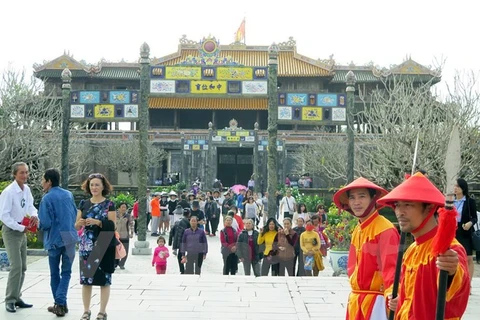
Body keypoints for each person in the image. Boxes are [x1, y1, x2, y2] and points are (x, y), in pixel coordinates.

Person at [377, 172, 470, 320]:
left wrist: (452, 271)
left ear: (429, 207)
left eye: (407, 205)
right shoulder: (411, 250)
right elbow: (409, 296)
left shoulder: (449, 248)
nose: (400, 212)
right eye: (397, 205)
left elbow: (458, 288)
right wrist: (398, 299)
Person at [333, 177, 399, 320]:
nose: (356, 202)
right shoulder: (358, 228)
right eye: (352, 198)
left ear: (373, 198)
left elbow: (391, 269)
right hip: (356, 299)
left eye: (362, 196)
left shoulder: (385, 229)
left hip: (377, 303)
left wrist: (391, 294)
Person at [75, 173, 116, 320]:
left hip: (103, 242)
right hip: (86, 244)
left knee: (104, 279)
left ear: (103, 186)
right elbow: (76, 224)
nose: (94, 187)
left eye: (97, 184)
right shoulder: (83, 204)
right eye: (92, 185)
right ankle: (86, 310)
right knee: (87, 280)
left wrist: (98, 222)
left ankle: (102, 311)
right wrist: (79, 224)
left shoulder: (109, 204)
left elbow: (112, 225)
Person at [38, 168, 79, 316]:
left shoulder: (46, 199)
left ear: (49, 181)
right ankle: (61, 303)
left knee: (54, 273)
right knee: (66, 272)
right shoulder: (68, 195)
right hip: (69, 236)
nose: (42, 183)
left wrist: (36, 223)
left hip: (54, 238)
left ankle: (59, 302)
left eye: (43, 180)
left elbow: (45, 223)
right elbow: (74, 214)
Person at [0, 162, 39, 313]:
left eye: (26, 172)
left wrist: (34, 215)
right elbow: (4, 215)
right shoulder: (9, 192)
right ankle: (9, 299)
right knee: (15, 265)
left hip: (23, 231)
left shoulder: (26, 189)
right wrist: (21, 227)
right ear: (15, 174)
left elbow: (30, 206)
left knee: (23, 267)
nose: (25, 175)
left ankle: (17, 297)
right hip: (12, 231)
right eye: (21, 173)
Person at [453, 178, 478, 279]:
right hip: (453, 231)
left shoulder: (469, 201)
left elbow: (474, 218)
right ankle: (456, 281)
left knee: (468, 258)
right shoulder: (451, 200)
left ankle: (468, 282)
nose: (455, 188)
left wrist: (470, 223)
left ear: (463, 188)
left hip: (465, 231)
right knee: (454, 257)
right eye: (455, 186)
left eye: (458, 186)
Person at [169, 208, 190, 274]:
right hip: (186, 241)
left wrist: (170, 242)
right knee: (189, 254)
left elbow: (171, 232)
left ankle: (182, 270)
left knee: (180, 255)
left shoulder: (177, 222)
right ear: (189, 214)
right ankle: (188, 268)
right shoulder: (189, 222)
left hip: (178, 241)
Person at [115, 202, 133, 270]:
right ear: (119, 208)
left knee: (125, 250)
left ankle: (122, 264)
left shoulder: (128, 216)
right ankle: (115, 263)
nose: (123, 209)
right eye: (122, 207)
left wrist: (131, 233)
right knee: (115, 250)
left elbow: (131, 224)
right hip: (116, 236)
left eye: (125, 207)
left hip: (125, 235)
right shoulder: (114, 215)